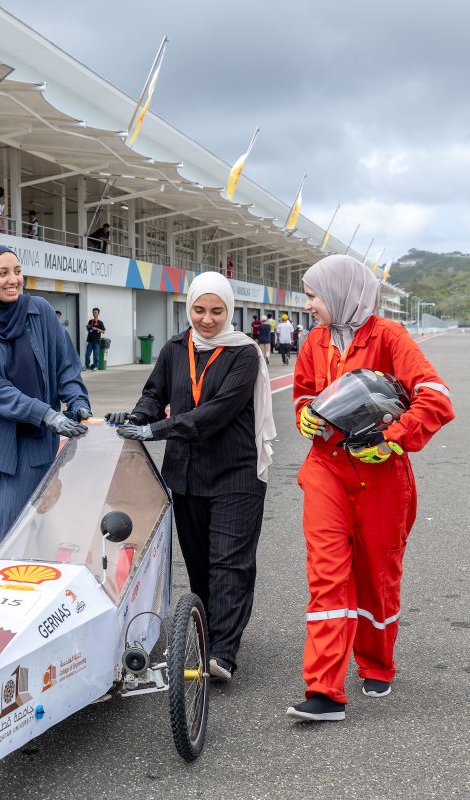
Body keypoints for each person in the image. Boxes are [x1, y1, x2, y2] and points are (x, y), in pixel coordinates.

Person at [288, 255, 454, 723]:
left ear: (341, 293)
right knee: (327, 576)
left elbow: (437, 397)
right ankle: (323, 689)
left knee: (376, 579)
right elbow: (304, 391)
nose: (308, 305)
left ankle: (377, 661)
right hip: (326, 470)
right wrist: (304, 413)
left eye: (313, 295)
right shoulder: (315, 341)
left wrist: (392, 440)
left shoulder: (389, 337)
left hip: (382, 479)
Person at [105, 271, 277, 683]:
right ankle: (207, 630)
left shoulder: (244, 353)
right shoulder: (174, 349)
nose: (207, 319)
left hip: (236, 471)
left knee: (229, 562)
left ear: (230, 310)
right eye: (199, 310)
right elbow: (154, 393)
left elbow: (216, 412)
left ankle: (222, 652)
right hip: (186, 474)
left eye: (217, 311)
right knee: (200, 564)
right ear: (188, 308)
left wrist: (157, 430)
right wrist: (136, 417)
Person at [0, 244, 91, 556]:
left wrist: (77, 401)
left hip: (30, 442)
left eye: (17, 272)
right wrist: (45, 413)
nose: (12, 279)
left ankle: (20, 596)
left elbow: (66, 364)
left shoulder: (39, 311)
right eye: (2, 273)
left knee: (10, 533)